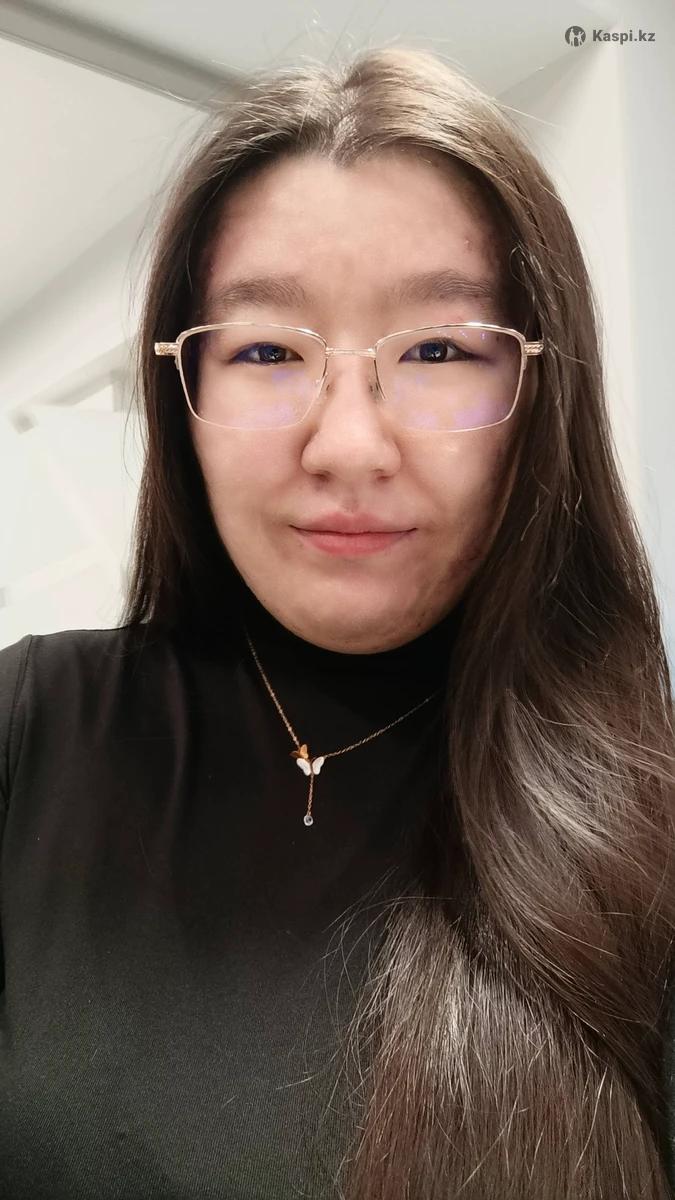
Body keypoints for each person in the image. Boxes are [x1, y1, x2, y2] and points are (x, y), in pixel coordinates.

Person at [0, 44, 673, 1200]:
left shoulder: (644, 816)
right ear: (182, 395)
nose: (349, 446)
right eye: (266, 350)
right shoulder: (33, 730)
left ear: (541, 395)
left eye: (439, 350)